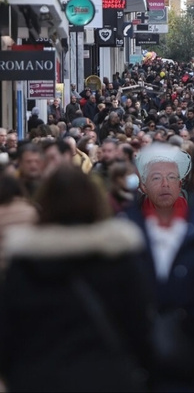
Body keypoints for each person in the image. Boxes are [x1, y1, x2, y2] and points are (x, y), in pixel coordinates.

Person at [0, 166, 153, 391]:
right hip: (107, 377)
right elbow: (139, 326)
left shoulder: (24, 263)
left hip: (38, 378)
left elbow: (7, 333)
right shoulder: (117, 257)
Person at [124, 143, 194, 391]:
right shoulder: (125, 227)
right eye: (156, 178)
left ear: (180, 183)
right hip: (140, 348)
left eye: (171, 177)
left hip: (193, 346)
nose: (165, 184)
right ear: (142, 185)